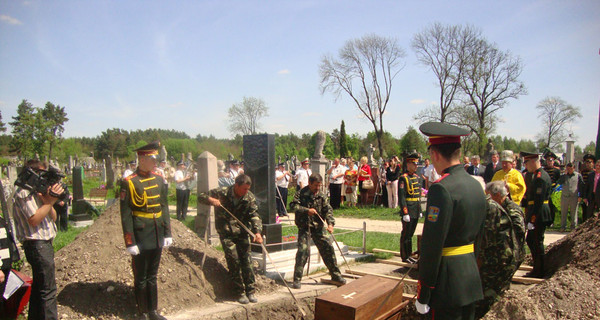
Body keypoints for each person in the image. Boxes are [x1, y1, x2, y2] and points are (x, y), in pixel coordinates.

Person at [415, 122, 487, 319]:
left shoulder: (441, 188)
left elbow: (432, 243)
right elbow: (480, 237)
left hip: (446, 285)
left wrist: (425, 293)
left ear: (435, 155)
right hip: (470, 277)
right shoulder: (476, 186)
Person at [120, 142, 171, 320]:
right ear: (142, 160)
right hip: (140, 234)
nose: (155, 162)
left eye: (155, 159)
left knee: (153, 275)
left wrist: (167, 232)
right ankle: (141, 312)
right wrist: (130, 241)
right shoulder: (129, 182)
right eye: (152, 159)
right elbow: (126, 214)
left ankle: (153, 311)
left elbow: (164, 206)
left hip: (157, 232)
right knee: (140, 276)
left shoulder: (158, 178)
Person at [198, 174, 263, 304]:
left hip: (242, 232)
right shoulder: (222, 192)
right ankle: (239, 292)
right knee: (234, 260)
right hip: (226, 232)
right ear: (236, 185)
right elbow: (201, 196)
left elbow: (254, 215)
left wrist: (258, 232)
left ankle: (250, 290)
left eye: (247, 189)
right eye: (243, 189)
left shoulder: (249, 197)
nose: (246, 192)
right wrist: (211, 200)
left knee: (247, 260)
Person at [12, 159, 64, 320]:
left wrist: (48, 201)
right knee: (48, 290)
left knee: (39, 289)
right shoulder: (23, 193)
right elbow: (34, 219)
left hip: (45, 244)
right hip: (36, 245)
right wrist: (51, 201)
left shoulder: (37, 193)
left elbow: (53, 217)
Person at [476, 181, 526, 318]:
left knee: (492, 292)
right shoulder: (498, 207)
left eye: (490, 195)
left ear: (497, 195)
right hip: (504, 256)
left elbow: (518, 233)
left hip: (505, 257)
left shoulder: (509, 209)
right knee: (498, 289)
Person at [290, 173, 346, 289]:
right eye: (315, 185)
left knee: (328, 247)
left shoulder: (322, 195)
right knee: (303, 250)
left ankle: (335, 275)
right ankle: (297, 279)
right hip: (305, 227)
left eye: (319, 186)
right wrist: (306, 210)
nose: (317, 188)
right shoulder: (300, 194)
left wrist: (330, 224)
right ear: (309, 183)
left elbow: (328, 210)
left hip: (318, 228)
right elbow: (293, 206)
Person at [520, 151, 553, 278]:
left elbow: (539, 201)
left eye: (527, 162)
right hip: (536, 212)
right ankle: (537, 268)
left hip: (539, 213)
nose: (526, 165)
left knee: (536, 241)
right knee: (533, 240)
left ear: (533, 161)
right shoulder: (534, 175)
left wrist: (532, 219)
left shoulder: (540, 177)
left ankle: (540, 270)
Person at [398, 153, 421, 263]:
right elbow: (402, 197)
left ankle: (409, 254)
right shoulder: (403, 178)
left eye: (416, 164)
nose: (416, 166)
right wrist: (405, 212)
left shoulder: (416, 177)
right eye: (414, 164)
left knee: (410, 234)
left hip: (415, 208)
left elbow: (418, 195)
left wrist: (420, 209)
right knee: (406, 234)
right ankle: (404, 256)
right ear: (408, 164)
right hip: (408, 209)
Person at [557, 163, 584, 231]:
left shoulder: (578, 175)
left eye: (570, 168)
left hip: (574, 196)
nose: (569, 170)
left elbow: (581, 186)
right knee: (564, 212)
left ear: (574, 168)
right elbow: (559, 182)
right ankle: (563, 226)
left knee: (573, 212)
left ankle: (573, 227)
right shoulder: (564, 176)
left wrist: (580, 196)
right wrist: (564, 175)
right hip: (565, 196)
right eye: (568, 168)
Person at [543, 150, 561, 226]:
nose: (549, 162)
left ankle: (552, 221)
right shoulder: (544, 170)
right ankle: (546, 220)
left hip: (553, 190)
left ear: (553, 161)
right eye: (548, 160)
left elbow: (558, 181)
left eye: (551, 160)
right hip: (545, 190)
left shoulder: (556, 171)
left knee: (552, 207)